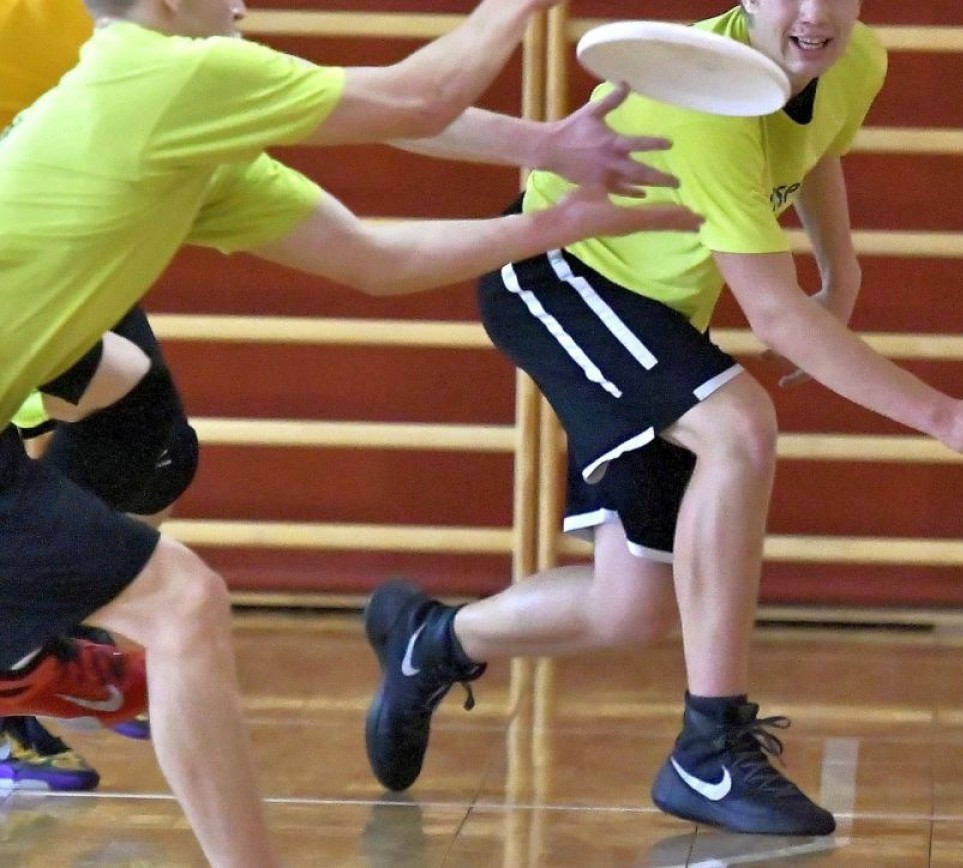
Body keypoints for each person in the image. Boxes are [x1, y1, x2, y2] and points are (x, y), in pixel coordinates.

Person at [0, 0, 701, 863]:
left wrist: (556, 222)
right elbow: (419, 97)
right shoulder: (169, 75)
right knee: (180, 602)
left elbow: (375, 259)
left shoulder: (185, 130)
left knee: (160, 518)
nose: (242, 4)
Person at [362, 0, 963, 838]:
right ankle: (710, 747)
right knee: (738, 425)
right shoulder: (703, 102)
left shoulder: (855, 59)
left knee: (630, 608)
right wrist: (947, 418)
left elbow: (814, 146)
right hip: (559, 273)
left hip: (656, 305)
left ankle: (431, 641)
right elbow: (773, 314)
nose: (814, 14)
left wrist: (841, 265)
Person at [0, 1, 163, 792]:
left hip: (59, 198)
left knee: (146, 431)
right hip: (26, 218)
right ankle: (22, 668)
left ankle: (35, 644)